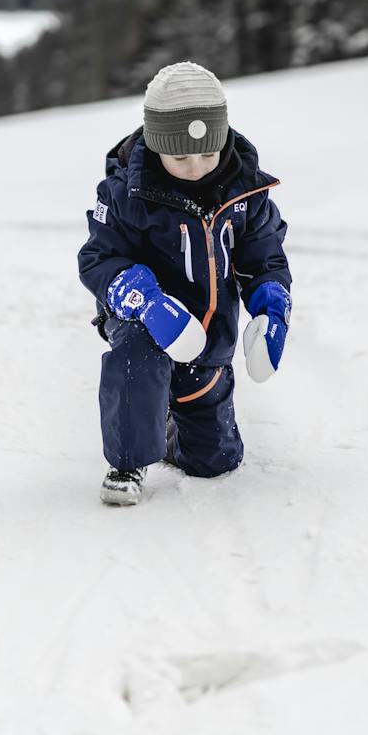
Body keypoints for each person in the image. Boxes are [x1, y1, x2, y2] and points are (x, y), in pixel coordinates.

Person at [78, 60, 292, 506]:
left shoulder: (246, 193)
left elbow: (264, 258)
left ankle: (175, 425)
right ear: (157, 146)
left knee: (215, 461)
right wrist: (145, 299)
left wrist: (272, 308)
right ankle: (127, 462)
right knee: (137, 355)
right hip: (146, 318)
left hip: (208, 340)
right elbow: (98, 258)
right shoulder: (124, 194)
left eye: (207, 154)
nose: (195, 166)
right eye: (179, 157)